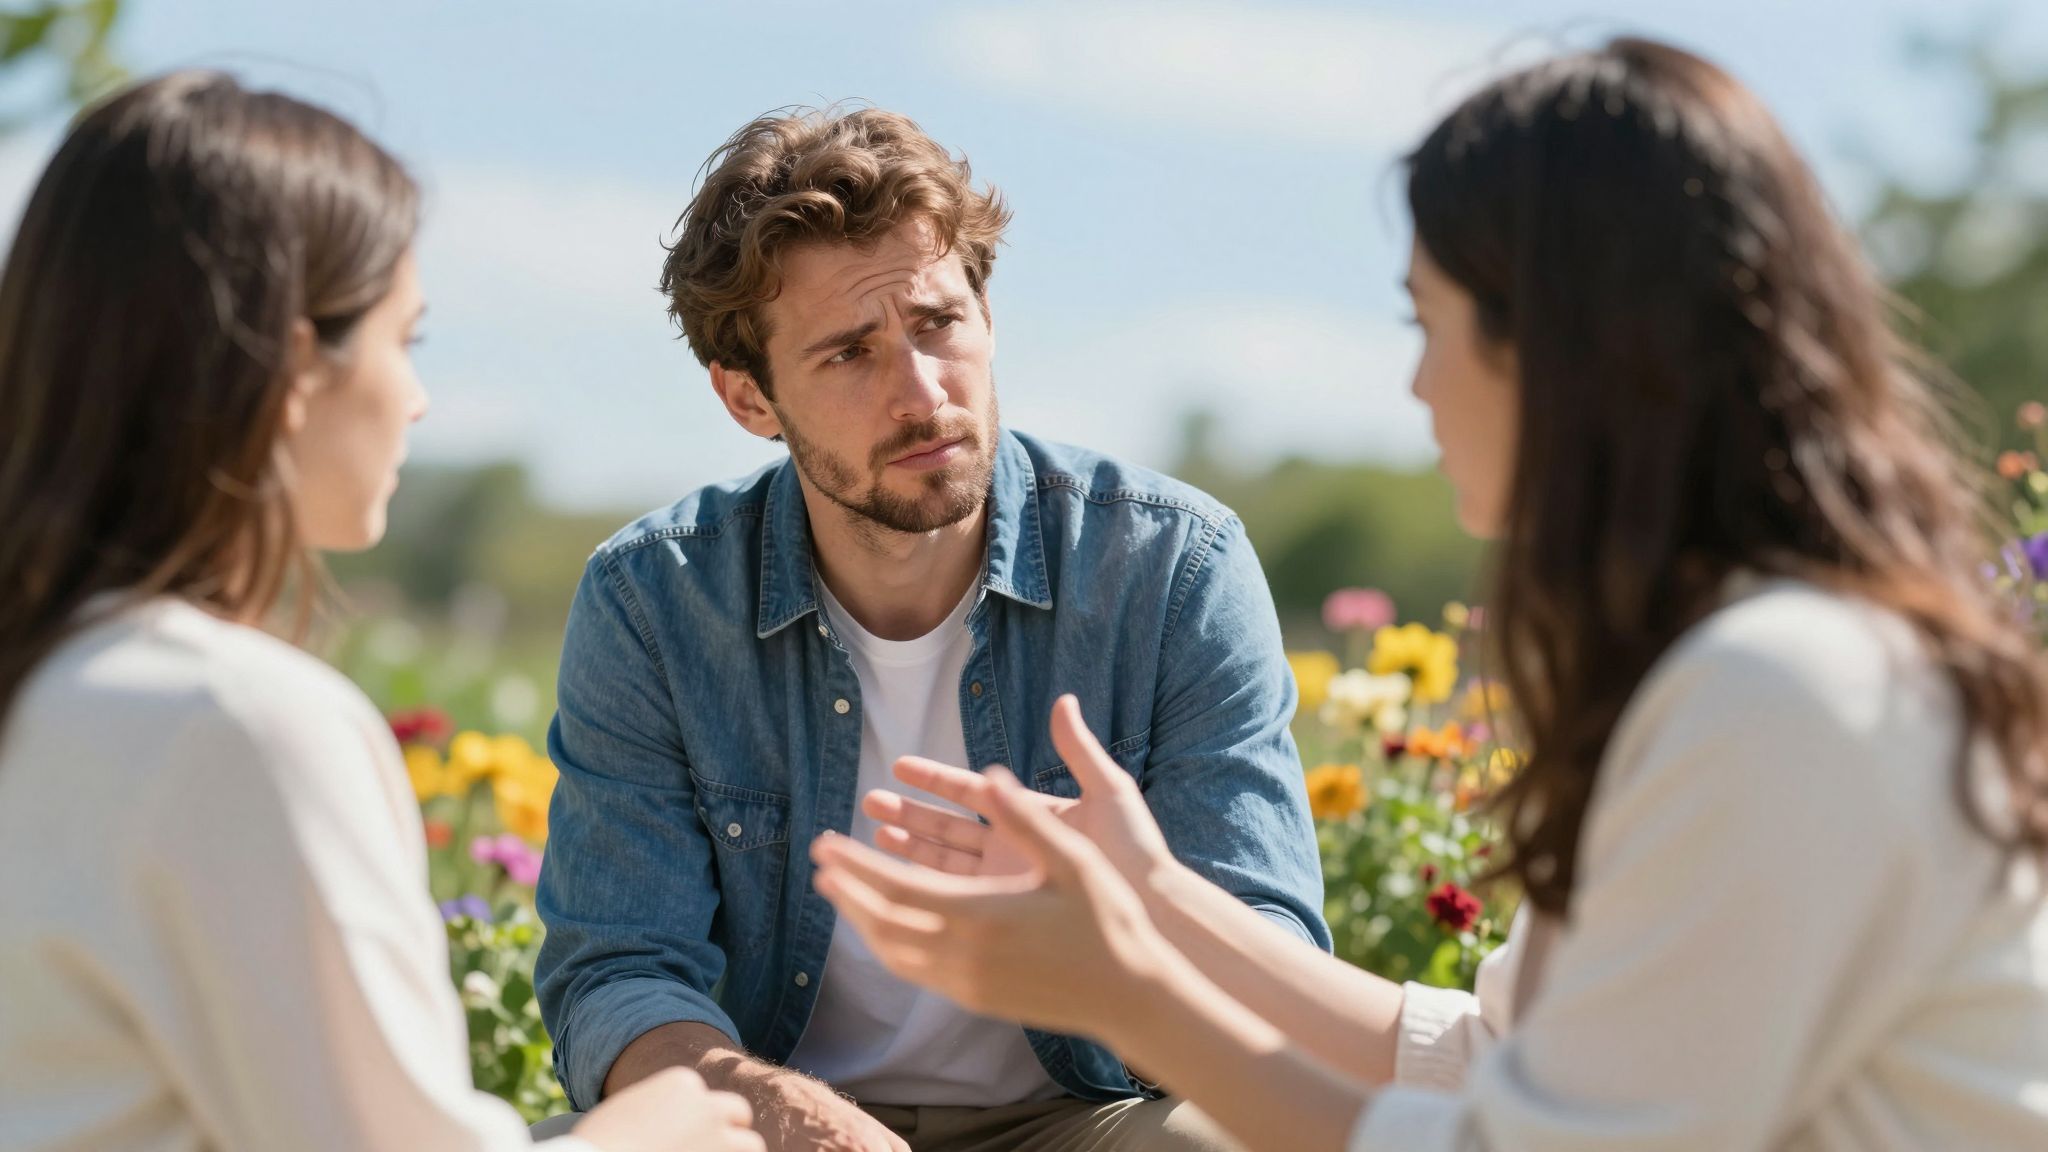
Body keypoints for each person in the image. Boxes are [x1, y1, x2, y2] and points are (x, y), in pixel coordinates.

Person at [810, 37, 2048, 1152]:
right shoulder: (1753, 663)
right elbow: (1489, 1059)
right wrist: (1158, 898)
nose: (1412, 386)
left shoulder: (1776, 694)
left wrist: (1122, 991)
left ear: (1565, 352)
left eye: (1428, 323)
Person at [532, 105, 1327, 1152]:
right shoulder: (653, 600)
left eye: (938, 324)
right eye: (850, 353)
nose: (920, 392)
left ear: (985, 316)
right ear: (747, 399)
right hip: (771, 1123)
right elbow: (618, 969)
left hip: (1090, 1113)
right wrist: (786, 1114)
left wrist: (1120, 926)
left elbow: (1269, 947)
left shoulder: (1172, 567)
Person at [0, 72, 759, 1152]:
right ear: (296, 366)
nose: (416, 397)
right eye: (407, 339)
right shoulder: (237, 725)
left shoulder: (55, 689)